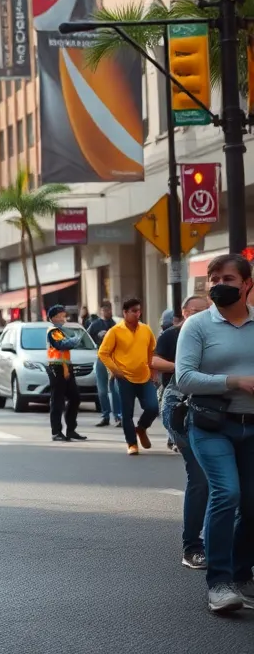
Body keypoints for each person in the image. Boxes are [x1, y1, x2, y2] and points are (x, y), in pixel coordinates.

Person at [176, 253, 254, 613]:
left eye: (229, 280)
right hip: (211, 425)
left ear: (247, 284)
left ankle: (242, 575)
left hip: (251, 425)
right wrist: (234, 381)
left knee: (251, 504)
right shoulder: (197, 326)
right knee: (227, 492)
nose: (220, 286)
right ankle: (219, 581)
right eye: (214, 279)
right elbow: (185, 378)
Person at [151, 294, 209, 570]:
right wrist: (182, 367)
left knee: (230, 486)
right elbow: (155, 362)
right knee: (199, 475)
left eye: (204, 309)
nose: (199, 313)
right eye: (194, 310)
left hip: (222, 411)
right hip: (181, 407)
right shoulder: (174, 334)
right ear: (184, 312)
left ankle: (228, 548)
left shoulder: (222, 331)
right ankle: (193, 546)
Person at [97, 297, 158, 455]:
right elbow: (103, 353)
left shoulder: (146, 329)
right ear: (125, 313)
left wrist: (153, 372)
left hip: (144, 377)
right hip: (124, 379)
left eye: (139, 310)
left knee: (153, 408)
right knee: (127, 413)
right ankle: (132, 444)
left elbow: (151, 350)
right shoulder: (115, 331)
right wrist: (115, 370)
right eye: (134, 311)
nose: (138, 314)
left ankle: (141, 428)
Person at [45, 305, 87, 442]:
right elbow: (62, 345)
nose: (64, 318)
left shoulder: (61, 330)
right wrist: (76, 339)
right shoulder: (53, 331)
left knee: (75, 397)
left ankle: (71, 430)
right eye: (62, 315)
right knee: (57, 401)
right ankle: (56, 432)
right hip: (56, 368)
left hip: (65, 367)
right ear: (54, 317)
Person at [87, 301, 121, 427]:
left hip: (114, 358)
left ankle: (118, 416)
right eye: (104, 310)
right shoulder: (95, 325)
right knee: (102, 390)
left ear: (111, 310)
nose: (106, 312)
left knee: (115, 389)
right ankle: (105, 415)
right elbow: (87, 338)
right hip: (101, 358)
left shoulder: (116, 325)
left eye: (108, 310)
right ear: (101, 311)